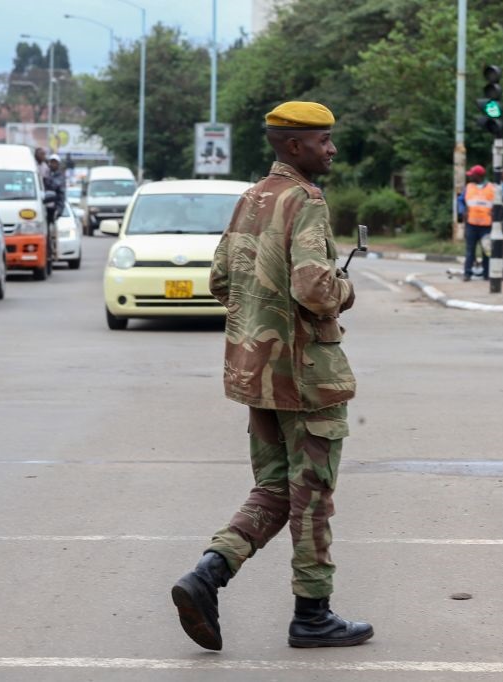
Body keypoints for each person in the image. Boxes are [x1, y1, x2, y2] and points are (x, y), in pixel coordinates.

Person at [172, 101, 373, 651]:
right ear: (292, 146)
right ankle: (313, 615)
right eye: (322, 140)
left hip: (258, 374)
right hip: (307, 376)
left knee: (275, 489)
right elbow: (314, 288)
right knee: (312, 495)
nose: (331, 149)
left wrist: (260, 316)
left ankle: (208, 573)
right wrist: (345, 290)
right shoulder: (306, 201)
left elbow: (219, 278)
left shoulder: (250, 198)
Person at [462, 164, 496, 281]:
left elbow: (497, 205)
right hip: (471, 224)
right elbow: (461, 201)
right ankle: (467, 273)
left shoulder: (492, 188)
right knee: (470, 250)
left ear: (479, 176)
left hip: (486, 225)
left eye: (472, 175)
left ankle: (487, 274)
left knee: (487, 251)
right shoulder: (469, 187)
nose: (470, 177)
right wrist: (463, 212)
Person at [44, 154, 66, 264]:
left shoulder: (60, 176)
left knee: (53, 232)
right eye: (51, 162)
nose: (53, 164)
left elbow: (60, 193)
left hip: (54, 208)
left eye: (55, 162)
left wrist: (59, 210)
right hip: (44, 207)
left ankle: (54, 252)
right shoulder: (46, 173)